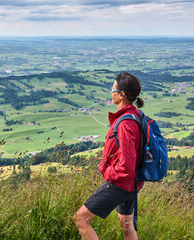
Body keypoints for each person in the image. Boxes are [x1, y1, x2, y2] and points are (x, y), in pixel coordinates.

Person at [73, 72, 145, 240]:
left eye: (113, 88)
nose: (110, 91)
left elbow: (126, 165)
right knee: (126, 223)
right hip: (134, 182)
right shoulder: (136, 115)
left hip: (121, 183)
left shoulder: (126, 124)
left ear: (122, 94)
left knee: (81, 219)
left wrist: (107, 172)